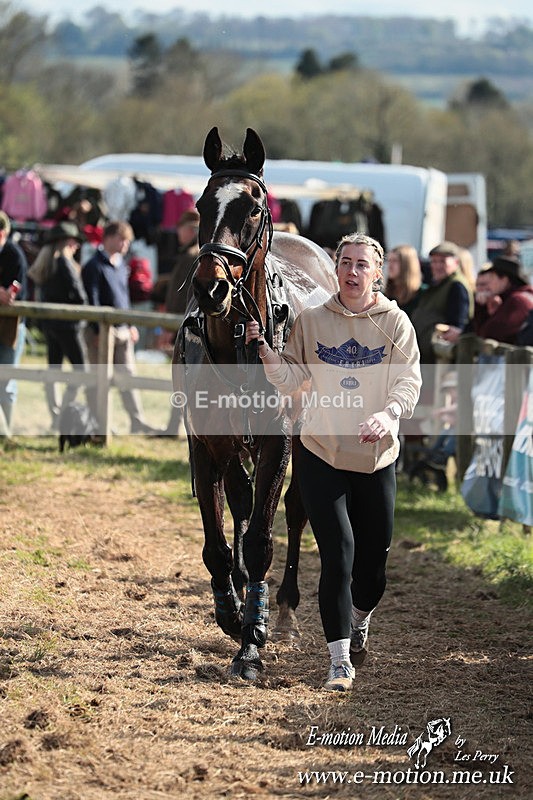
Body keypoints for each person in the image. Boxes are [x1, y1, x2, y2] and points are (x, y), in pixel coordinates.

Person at [246, 233, 421, 691]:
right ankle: (338, 660)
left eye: (362, 264)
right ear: (336, 267)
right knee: (337, 557)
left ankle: (361, 617)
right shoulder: (312, 319)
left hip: (376, 457)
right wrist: (266, 352)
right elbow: (292, 379)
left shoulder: (395, 322)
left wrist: (389, 414)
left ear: (377, 273)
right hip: (321, 450)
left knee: (371, 573)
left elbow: (408, 381)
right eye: (345, 262)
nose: (352, 271)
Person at [82, 220, 161, 435]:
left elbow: (124, 300)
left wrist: (130, 324)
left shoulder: (121, 264)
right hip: (102, 332)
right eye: (122, 239)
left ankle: (137, 421)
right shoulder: (94, 265)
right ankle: (100, 423)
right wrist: (98, 331)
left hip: (123, 330)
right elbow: (93, 301)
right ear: (109, 238)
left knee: (128, 377)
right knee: (100, 379)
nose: (126, 244)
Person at [28, 221, 88, 430]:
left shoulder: (45, 265)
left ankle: (55, 414)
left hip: (50, 326)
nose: (77, 246)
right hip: (69, 328)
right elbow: (80, 297)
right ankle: (63, 415)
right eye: (74, 241)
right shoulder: (64, 264)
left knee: (53, 370)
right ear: (65, 242)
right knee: (83, 372)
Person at [411, 240, 473, 363]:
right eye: (434, 261)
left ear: (455, 262)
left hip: (439, 360)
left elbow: (456, 327)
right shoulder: (438, 284)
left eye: (442, 261)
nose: (437, 266)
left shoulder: (457, 286)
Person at [0, 211, 28, 434]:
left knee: (6, 379)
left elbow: (12, 295)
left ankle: (6, 432)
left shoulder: (14, 255)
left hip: (11, 326)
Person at [473, 256, 533, 344]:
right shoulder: (517, 297)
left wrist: (481, 307)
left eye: (492, 277)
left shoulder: (518, 300)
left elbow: (489, 334)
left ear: (504, 279)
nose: (489, 284)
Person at [384, 244, 424, 317]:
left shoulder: (423, 294)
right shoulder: (386, 295)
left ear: (407, 264)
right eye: (389, 261)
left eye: (395, 261)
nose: (390, 265)